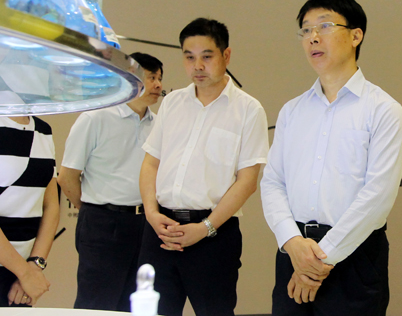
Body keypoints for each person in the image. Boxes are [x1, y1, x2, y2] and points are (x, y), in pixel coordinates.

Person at [261, 0, 402, 316]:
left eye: (325, 26)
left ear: (356, 36)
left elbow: (377, 197)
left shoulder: (383, 110)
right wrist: (292, 243)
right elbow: (272, 182)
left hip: (354, 256)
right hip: (294, 251)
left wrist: (319, 261)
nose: (313, 37)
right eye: (306, 29)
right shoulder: (292, 111)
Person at [138, 17, 269, 316]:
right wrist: (152, 214)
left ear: (226, 55)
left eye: (207, 57)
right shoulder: (172, 103)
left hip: (213, 236)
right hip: (160, 231)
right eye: (189, 57)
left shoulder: (248, 110)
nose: (197, 66)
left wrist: (205, 228)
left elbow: (247, 181)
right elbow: (151, 163)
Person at [58, 52, 163, 311]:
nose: (158, 85)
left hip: (145, 224)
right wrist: (92, 209)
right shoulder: (95, 117)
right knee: (97, 303)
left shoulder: (159, 124)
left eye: (160, 78)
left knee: (135, 303)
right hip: (103, 223)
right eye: (151, 78)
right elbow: (67, 176)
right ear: (130, 78)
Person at [0, 115, 59, 307]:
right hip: (21, 272)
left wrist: (34, 265)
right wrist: (25, 273)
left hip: (20, 277)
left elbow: (50, 204)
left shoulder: (43, 130)